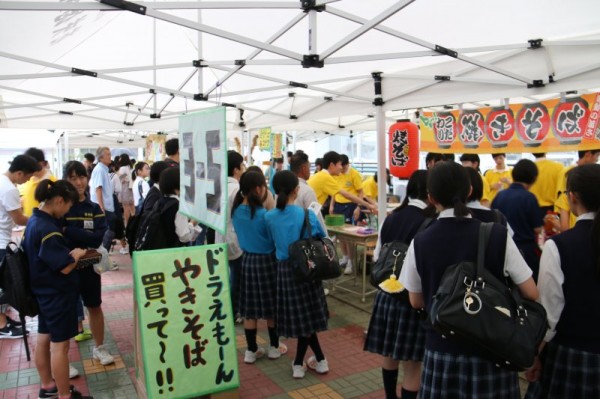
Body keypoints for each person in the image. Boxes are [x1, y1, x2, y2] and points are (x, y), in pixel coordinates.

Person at [399, 161, 537, 399]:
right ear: (470, 191)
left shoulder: (420, 241)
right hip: (493, 348)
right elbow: (532, 292)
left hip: (442, 349)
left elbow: (415, 301)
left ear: (431, 198)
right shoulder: (496, 234)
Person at [525, 164, 600, 399]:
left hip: (572, 354)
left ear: (572, 197)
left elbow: (549, 311)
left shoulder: (559, 246)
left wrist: (535, 354)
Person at [364, 170, 434, 399]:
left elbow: (377, 256)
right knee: (413, 362)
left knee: (390, 352)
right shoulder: (429, 221)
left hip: (386, 293)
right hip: (412, 297)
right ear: (428, 192)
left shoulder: (392, 216)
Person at [22, 179, 92, 399]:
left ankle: (48, 386)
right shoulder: (48, 229)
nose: (67, 212)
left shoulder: (34, 221)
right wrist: (78, 254)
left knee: (44, 338)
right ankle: (64, 395)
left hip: (42, 293)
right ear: (60, 201)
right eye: (68, 207)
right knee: (59, 347)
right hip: (57, 295)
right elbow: (63, 267)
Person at [264, 170, 329, 379]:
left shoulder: (269, 217)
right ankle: (307, 361)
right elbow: (320, 236)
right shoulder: (307, 214)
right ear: (297, 189)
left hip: (284, 270)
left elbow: (270, 243)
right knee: (307, 319)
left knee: (302, 319)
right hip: (308, 268)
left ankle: (310, 361)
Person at [63, 161, 115, 369]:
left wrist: (69, 231)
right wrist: (81, 236)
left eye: (82, 177)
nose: (78, 182)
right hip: (65, 269)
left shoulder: (94, 208)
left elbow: (97, 239)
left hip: (90, 269)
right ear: (66, 180)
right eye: (73, 178)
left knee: (95, 306)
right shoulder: (62, 205)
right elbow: (60, 237)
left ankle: (99, 348)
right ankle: (62, 358)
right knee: (66, 310)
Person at [231, 171, 287, 364]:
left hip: (247, 261)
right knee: (272, 308)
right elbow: (274, 239)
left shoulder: (235, 212)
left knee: (249, 309)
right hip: (268, 263)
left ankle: (251, 350)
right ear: (258, 189)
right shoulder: (265, 215)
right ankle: (273, 347)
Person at [0, 154, 40, 339]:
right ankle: (2, 325)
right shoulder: (9, 189)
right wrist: (40, 219)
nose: (27, 181)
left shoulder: (3, 182)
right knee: (5, 285)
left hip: (3, 239)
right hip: (1, 242)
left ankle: (3, 320)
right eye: (27, 177)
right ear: (18, 172)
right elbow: (19, 218)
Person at [492, 159, 543, 280]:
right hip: (525, 251)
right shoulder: (529, 198)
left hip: (502, 250)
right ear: (534, 178)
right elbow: (537, 229)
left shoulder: (500, 195)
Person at [215, 151, 245, 323]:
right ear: (235, 169)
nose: (242, 169)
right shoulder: (237, 190)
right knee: (236, 278)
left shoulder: (217, 187)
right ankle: (234, 312)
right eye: (241, 166)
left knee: (224, 276)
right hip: (235, 238)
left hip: (219, 236)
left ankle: (224, 309)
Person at [331, 154, 365, 274]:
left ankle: (351, 261)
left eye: (342, 166)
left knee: (349, 236)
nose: (340, 168)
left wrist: (358, 207)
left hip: (350, 206)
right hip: (338, 206)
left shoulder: (354, 174)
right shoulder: (337, 173)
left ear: (346, 164)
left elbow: (361, 192)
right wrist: (332, 205)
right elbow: (334, 191)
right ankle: (345, 257)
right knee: (340, 235)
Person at [553, 149, 600, 233]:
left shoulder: (565, 197)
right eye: (597, 155)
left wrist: (556, 224)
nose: (597, 159)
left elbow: (565, 229)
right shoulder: (566, 172)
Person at [156, 167, 201, 248]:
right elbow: (184, 237)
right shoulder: (178, 205)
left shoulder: (159, 201)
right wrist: (192, 223)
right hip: (175, 251)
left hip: (161, 248)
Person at [89, 147, 116, 253]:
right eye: (108, 154)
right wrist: (101, 207)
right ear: (100, 157)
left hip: (106, 207)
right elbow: (98, 188)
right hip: (103, 207)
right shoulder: (100, 169)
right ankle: (102, 256)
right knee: (108, 232)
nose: (110, 157)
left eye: (110, 154)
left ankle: (104, 256)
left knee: (110, 231)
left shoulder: (104, 169)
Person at [21, 147, 57, 217]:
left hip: (43, 225)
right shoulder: (28, 180)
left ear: (41, 163)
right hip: (29, 225)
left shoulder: (53, 182)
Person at [117, 154, 134, 230]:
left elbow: (119, 178)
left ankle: (127, 223)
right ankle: (134, 222)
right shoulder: (130, 167)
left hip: (124, 187)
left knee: (126, 207)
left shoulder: (122, 168)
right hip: (130, 187)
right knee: (132, 206)